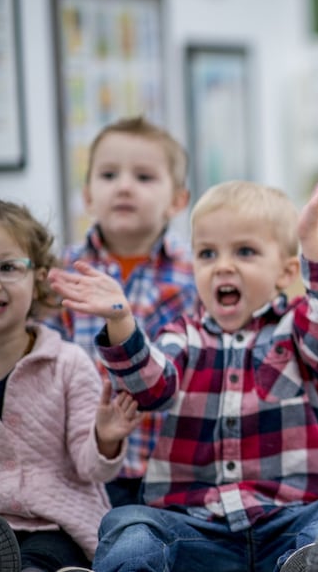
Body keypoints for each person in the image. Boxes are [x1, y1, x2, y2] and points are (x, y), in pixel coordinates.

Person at [49, 159, 318, 572]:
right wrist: (121, 321)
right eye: (207, 253)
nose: (223, 265)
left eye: (245, 251)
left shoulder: (298, 330)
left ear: (286, 271)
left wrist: (312, 240)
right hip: (195, 529)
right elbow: (150, 386)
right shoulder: (181, 336)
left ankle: (312, 565)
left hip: (289, 523)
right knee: (129, 520)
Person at [48, 115, 197, 508]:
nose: (124, 186)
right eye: (109, 174)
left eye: (144, 177)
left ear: (178, 200)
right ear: (88, 196)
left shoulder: (196, 274)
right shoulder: (66, 273)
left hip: (175, 465)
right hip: (84, 462)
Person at [0, 199, 140, 571]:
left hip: (58, 523)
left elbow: (91, 468)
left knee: (40, 561)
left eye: (7, 267)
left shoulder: (67, 363)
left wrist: (104, 437)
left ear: (40, 276)